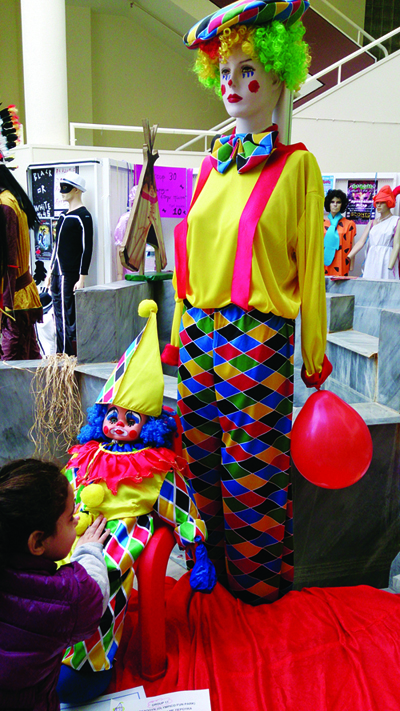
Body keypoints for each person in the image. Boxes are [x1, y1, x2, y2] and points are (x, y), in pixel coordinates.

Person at [162, 0, 332, 606]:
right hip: (197, 335)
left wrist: (313, 354)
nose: (232, 83)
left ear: (280, 76)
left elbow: (311, 271)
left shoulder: (298, 167)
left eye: (248, 69)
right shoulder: (209, 167)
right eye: (225, 71)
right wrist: (178, 336)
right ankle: (206, 579)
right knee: (198, 460)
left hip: (257, 338)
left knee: (252, 469)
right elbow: (187, 265)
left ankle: (256, 586)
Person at [58, 300, 215, 703]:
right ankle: (41, 649)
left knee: (103, 580)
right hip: (75, 523)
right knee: (51, 569)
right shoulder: (87, 452)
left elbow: (180, 505)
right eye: (113, 416)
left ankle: (87, 664)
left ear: (149, 426)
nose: (118, 425)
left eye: (131, 419)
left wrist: (197, 550)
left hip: (122, 533)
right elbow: (63, 487)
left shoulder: (155, 465)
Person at [0, 458, 110, 711]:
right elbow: (95, 593)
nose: (77, 520)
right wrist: (88, 550)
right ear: (37, 543)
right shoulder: (65, 596)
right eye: (71, 517)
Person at [46, 171, 93, 355]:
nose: (62, 192)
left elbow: (87, 247)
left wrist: (82, 277)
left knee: (68, 314)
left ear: (76, 190)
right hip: (57, 271)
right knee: (57, 312)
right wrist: (50, 271)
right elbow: (56, 245)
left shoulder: (83, 216)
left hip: (70, 273)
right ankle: (60, 352)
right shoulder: (63, 215)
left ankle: (69, 354)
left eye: (66, 188)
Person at [0, 163, 42, 360]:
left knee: (11, 358)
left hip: (14, 297)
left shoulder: (5, 203)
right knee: (29, 352)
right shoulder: (11, 199)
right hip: (20, 291)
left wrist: (7, 304)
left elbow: (9, 259)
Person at [347, 185, 400, 279]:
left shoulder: (396, 221)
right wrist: (349, 255)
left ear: (389, 202)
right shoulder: (372, 222)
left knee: (386, 282)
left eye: (382, 202)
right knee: (370, 282)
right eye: (377, 202)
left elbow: (396, 245)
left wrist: (390, 265)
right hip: (372, 257)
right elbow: (361, 241)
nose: (378, 205)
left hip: (387, 257)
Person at [323, 189, 356, 276]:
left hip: (341, 262)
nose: (335, 205)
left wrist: (351, 265)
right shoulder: (321, 223)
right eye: (332, 202)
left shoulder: (349, 224)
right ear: (328, 204)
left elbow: (352, 245)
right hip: (323, 262)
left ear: (342, 204)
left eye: (338, 202)